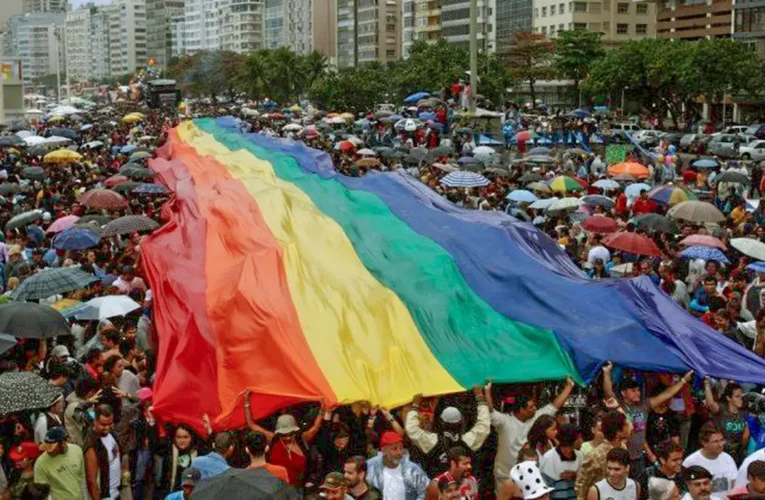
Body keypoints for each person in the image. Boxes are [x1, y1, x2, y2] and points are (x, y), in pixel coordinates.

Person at [602, 363, 693, 484]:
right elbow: (609, 393)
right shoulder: (619, 406)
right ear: (624, 393)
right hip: (622, 459)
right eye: (633, 391)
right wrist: (606, 372)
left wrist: (683, 380)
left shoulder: (644, 405)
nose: (638, 393)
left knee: (640, 488)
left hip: (639, 457)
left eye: (638, 390)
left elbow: (666, 395)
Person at [489, 378, 576, 489]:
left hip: (529, 477)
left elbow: (555, 406)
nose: (535, 409)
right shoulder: (504, 421)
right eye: (531, 407)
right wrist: (486, 391)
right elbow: (490, 411)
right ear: (521, 409)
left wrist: (569, 386)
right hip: (505, 475)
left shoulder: (536, 418)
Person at [243, 389, 323, 485]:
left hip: (298, 490)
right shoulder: (273, 439)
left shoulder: (302, 439)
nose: (287, 438)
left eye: (290, 434)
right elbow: (251, 425)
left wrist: (323, 408)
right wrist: (246, 402)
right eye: (283, 435)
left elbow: (315, 428)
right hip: (275, 489)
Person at [406, 386, 490, 477]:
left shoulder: (432, 441)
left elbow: (411, 429)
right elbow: (484, 425)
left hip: (441, 487)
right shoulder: (468, 440)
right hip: (463, 486)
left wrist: (415, 405)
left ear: (441, 421)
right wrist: (479, 396)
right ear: (461, 422)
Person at [575, 411, 630, 500]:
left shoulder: (623, 447)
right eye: (626, 424)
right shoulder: (596, 455)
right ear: (618, 431)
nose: (629, 427)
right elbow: (581, 483)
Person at [366, 431, 429, 500]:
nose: (399, 452)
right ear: (383, 450)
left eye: (401, 448)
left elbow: (426, 491)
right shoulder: (371, 466)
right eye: (395, 449)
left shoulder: (412, 470)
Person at [681, 423, 737, 493]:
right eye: (716, 441)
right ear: (704, 443)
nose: (720, 444)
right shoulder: (690, 462)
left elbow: (735, 484)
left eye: (722, 440)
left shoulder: (728, 458)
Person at [32, 426, 85, 500]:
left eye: (52, 448)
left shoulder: (77, 451)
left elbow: (82, 478)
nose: (48, 451)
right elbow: (40, 494)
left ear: (62, 443)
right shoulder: (40, 463)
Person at [703, 379, 749, 464]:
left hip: (737, 455)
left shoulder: (743, 413)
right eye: (737, 396)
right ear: (728, 398)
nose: (741, 399)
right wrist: (706, 384)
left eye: (742, 396)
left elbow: (745, 437)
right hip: (719, 453)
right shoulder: (721, 409)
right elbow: (710, 403)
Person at [84, 404, 121, 500]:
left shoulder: (111, 433)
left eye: (110, 423)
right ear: (95, 421)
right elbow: (91, 481)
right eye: (103, 424)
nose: (107, 428)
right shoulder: (92, 444)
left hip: (116, 492)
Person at [539, 423, 582, 500]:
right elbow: (544, 487)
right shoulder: (549, 457)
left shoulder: (580, 455)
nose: (581, 440)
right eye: (578, 438)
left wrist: (576, 475)